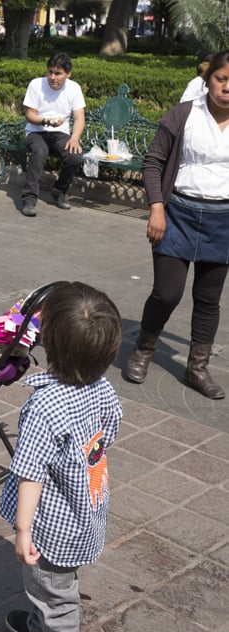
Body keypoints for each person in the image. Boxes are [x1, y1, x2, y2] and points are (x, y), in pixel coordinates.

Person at [0, 281, 123, 632]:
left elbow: (31, 472)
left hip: (50, 530)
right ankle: (39, 630)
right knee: (58, 587)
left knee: (56, 600)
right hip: (86, 508)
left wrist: (23, 530)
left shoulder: (45, 405)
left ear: (48, 342)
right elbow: (110, 431)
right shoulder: (102, 387)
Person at [125, 49, 229, 400]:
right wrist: (157, 207)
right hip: (178, 215)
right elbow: (153, 161)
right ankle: (143, 349)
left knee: (208, 298)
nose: (227, 87)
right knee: (168, 292)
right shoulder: (184, 114)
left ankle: (196, 367)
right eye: (222, 78)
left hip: (223, 220)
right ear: (208, 79)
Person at [21, 53, 86, 216]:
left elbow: (79, 118)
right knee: (39, 151)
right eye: (50, 72)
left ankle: (59, 191)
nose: (52, 77)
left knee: (75, 156)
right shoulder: (36, 84)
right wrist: (45, 121)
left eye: (58, 74)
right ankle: (29, 199)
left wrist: (74, 138)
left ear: (68, 74)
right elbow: (29, 114)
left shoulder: (74, 88)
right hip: (36, 131)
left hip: (60, 134)